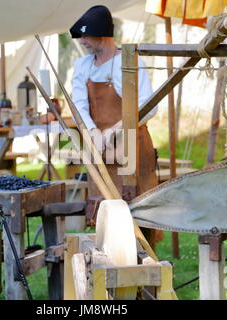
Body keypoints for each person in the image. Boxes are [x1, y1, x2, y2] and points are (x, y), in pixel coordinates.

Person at [70, 5, 162, 246]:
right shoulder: (83, 66)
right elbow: (79, 104)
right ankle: (107, 273)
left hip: (133, 147)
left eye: (86, 36)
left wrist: (114, 131)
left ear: (102, 34)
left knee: (140, 215)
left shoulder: (129, 62)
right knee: (105, 217)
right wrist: (92, 132)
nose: (83, 42)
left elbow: (149, 106)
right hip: (100, 151)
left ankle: (147, 273)